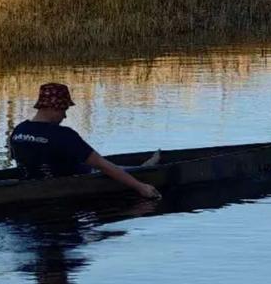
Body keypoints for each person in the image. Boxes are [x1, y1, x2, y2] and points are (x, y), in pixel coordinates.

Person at [10, 82, 161, 200]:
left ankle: (141, 167)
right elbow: (103, 165)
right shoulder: (64, 135)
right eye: (64, 110)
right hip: (74, 178)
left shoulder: (19, 131)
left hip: (31, 181)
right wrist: (140, 187)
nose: (65, 116)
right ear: (55, 107)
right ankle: (144, 169)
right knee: (114, 169)